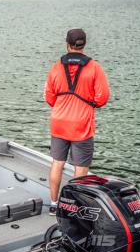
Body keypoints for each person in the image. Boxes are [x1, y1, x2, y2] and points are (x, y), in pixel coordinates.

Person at [44, 28, 110, 215]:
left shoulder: (56, 66)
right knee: (80, 168)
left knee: (57, 162)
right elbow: (103, 97)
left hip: (59, 122)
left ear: (67, 44)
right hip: (81, 123)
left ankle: (54, 204)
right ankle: (73, 206)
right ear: (84, 45)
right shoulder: (94, 67)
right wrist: (89, 105)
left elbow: (49, 97)